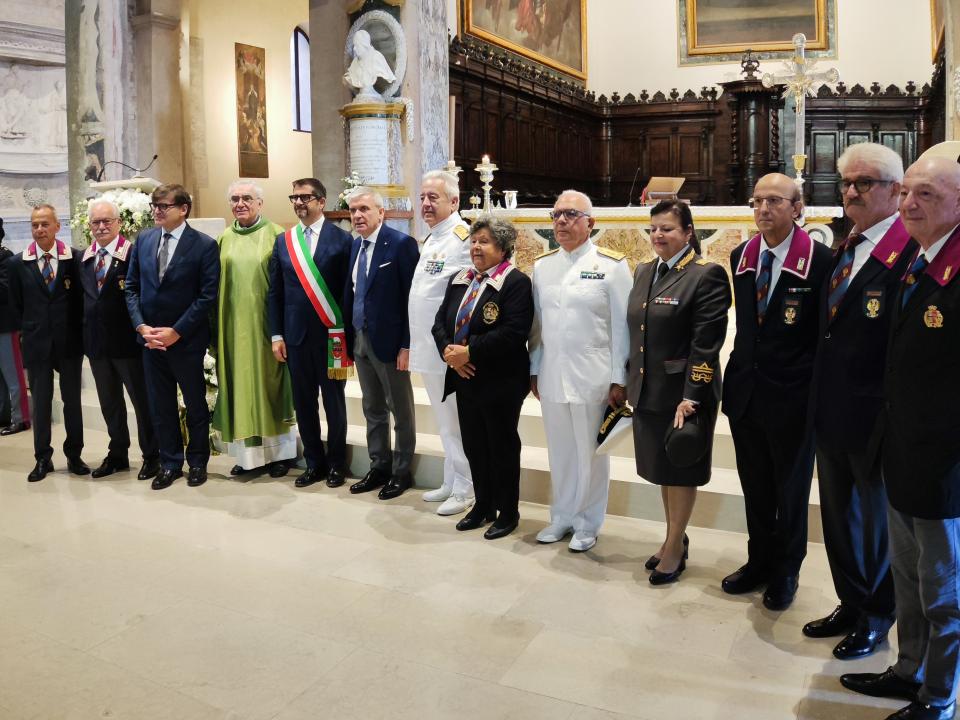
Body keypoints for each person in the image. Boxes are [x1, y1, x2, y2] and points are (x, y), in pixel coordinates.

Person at [840, 156, 960, 720]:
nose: (909, 204)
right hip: (903, 453)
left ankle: (938, 698)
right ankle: (909, 670)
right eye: (906, 192)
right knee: (910, 583)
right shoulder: (919, 258)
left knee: (945, 594)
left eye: (927, 194)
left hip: (946, 470)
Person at [804, 143, 913, 659]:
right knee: (838, 517)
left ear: (895, 191)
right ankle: (851, 601)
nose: (850, 191)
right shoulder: (846, 245)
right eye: (846, 182)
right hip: (831, 407)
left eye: (864, 183)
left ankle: (877, 615)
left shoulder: (908, 247)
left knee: (874, 525)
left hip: (875, 414)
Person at [720, 173, 833, 610]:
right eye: (757, 201)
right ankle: (759, 561)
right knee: (756, 486)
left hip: (793, 395)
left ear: (797, 207)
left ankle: (787, 570)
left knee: (790, 490)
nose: (763, 209)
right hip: (747, 392)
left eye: (774, 201)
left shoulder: (821, 261)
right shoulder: (741, 256)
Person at [625, 200, 731, 584]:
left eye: (667, 229)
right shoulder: (643, 271)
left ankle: (673, 549)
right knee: (661, 469)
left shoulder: (706, 275)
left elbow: (707, 343)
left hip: (684, 393)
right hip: (648, 388)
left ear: (688, 233)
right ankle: (674, 537)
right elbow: (636, 332)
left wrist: (693, 395)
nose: (658, 235)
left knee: (680, 470)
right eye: (653, 228)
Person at [529, 190, 632, 553]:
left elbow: (623, 326)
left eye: (571, 215)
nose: (561, 221)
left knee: (590, 452)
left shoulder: (612, 265)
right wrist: (535, 369)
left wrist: (621, 376)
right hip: (553, 373)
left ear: (591, 222)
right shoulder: (543, 266)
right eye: (556, 214)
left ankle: (588, 522)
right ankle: (562, 516)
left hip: (595, 374)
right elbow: (538, 326)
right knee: (560, 450)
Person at [432, 216, 533, 539]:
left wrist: (469, 352)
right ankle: (483, 504)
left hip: (500, 379)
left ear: (502, 248)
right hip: (464, 377)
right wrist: (451, 355)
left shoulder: (516, 282)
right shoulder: (460, 278)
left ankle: (508, 511)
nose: (476, 246)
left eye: (484, 241)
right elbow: (439, 323)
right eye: (474, 241)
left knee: (501, 446)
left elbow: (514, 332)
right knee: (475, 445)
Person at [125, 183, 220, 491]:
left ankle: (197, 462)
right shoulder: (144, 240)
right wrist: (141, 327)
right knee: (161, 405)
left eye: (164, 205)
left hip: (186, 341)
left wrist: (176, 331)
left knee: (194, 405)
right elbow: (131, 287)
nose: (157, 210)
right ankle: (169, 463)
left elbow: (206, 297)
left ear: (183, 209)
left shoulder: (204, 245)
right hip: (150, 340)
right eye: (155, 205)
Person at [268, 178, 353, 488]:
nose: (299, 202)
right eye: (295, 197)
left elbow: (348, 292)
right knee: (304, 403)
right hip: (296, 337)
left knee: (334, 404)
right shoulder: (283, 241)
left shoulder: (343, 240)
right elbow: (274, 292)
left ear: (321, 200)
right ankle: (314, 463)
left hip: (333, 337)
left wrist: (349, 338)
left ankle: (336, 464)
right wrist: (277, 334)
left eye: (305, 197)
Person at [213, 181, 297, 479]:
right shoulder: (224, 238)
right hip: (233, 329)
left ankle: (279, 454)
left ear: (260, 203)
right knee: (241, 388)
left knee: (270, 386)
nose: (240, 203)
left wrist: (282, 330)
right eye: (235, 198)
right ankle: (249, 457)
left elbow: (288, 286)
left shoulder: (277, 235)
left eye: (247, 198)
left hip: (267, 329)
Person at [343, 187, 419, 500]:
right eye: (353, 211)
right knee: (372, 407)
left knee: (399, 409)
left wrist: (407, 345)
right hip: (361, 337)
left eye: (364, 209)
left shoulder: (401, 245)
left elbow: (410, 300)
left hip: (390, 342)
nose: (357, 216)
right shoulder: (355, 247)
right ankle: (379, 465)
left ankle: (402, 471)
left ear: (380, 213)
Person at [79, 199, 160, 481]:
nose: (101, 227)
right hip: (98, 346)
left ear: (119, 223)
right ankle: (118, 454)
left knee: (142, 402)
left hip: (129, 344)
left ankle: (152, 456)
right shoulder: (84, 258)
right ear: (89, 226)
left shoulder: (132, 254)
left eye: (107, 222)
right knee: (110, 403)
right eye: (96, 223)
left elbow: (141, 295)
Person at [6, 204, 87, 481]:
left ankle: (74, 455)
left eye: (44, 224)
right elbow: (15, 304)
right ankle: (43, 458)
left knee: (72, 402)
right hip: (37, 344)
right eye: (34, 225)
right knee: (40, 404)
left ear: (57, 226)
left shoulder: (73, 259)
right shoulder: (18, 263)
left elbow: (80, 301)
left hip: (69, 343)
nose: (39, 230)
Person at [409, 170, 474, 516]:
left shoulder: (462, 238)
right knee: (443, 420)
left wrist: (457, 347)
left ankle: (466, 487)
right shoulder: (433, 238)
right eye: (422, 197)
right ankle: (452, 479)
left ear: (454, 201)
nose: (425, 204)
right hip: (426, 344)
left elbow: (463, 300)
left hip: (446, 349)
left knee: (455, 420)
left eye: (433, 198)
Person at [0, 216, 30, 436]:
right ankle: (3, 416)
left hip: (5, 325)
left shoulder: (5, 257)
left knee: (13, 375)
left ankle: (21, 418)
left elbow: (4, 290)